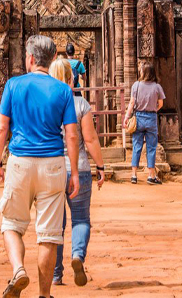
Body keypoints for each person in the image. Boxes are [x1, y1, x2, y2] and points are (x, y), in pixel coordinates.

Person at [0, 35, 80, 298]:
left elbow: (1, 128)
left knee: (11, 224)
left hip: (20, 162)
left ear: (30, 58)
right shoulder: (63, 91)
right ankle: (44, 295)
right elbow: (72, 134)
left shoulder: (14, 85)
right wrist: (74, 171)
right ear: (53, 59)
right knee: (49, 236)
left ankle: (19, 269)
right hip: (53, 164)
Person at [48, 58, 105, 288]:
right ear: (71, 79)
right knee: (81, 219)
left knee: (55, 224)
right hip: (79, 168)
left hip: (51, 169)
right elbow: (90, 140)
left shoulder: (45, 103)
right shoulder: (80, 104)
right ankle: (78, 255)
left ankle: (55, 274)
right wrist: (100, 166)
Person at [123, 61, 165, 185]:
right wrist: (153, 110)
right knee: (151, 147)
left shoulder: (136, 85)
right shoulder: (157, 87)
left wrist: (127, 116)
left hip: (139, 117)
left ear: (144, 72)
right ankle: (151, 175)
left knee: (137, 146)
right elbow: (161, 104)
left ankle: (134, 174)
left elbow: (131, 103)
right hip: (151, 118)